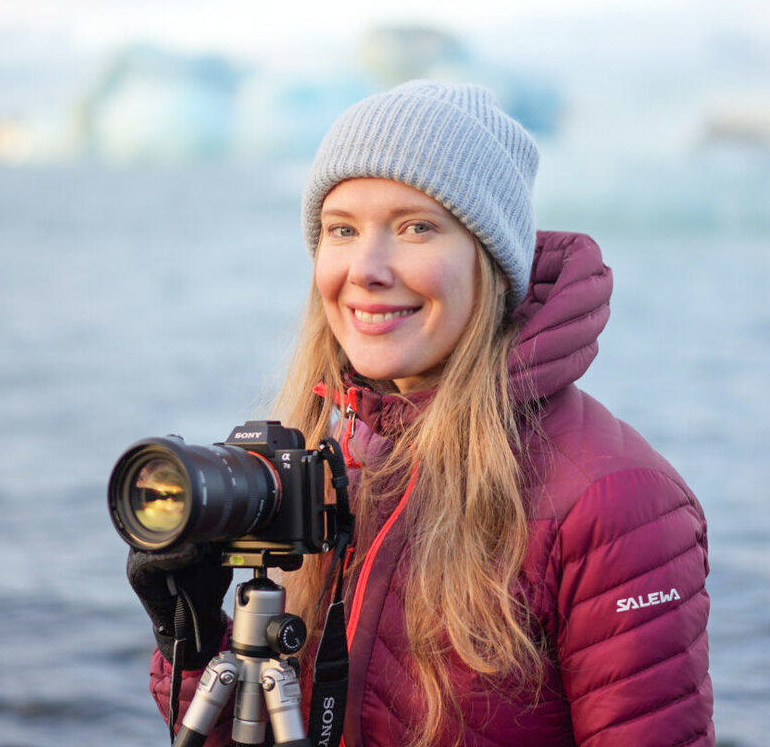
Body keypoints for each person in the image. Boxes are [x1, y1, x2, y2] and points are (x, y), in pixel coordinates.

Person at [128, 80, 714, 746]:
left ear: (490, 260)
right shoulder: (329, 453)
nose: (368, 268)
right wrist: (194, 640)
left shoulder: (613, 502)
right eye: (341, 230)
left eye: (416, 228)